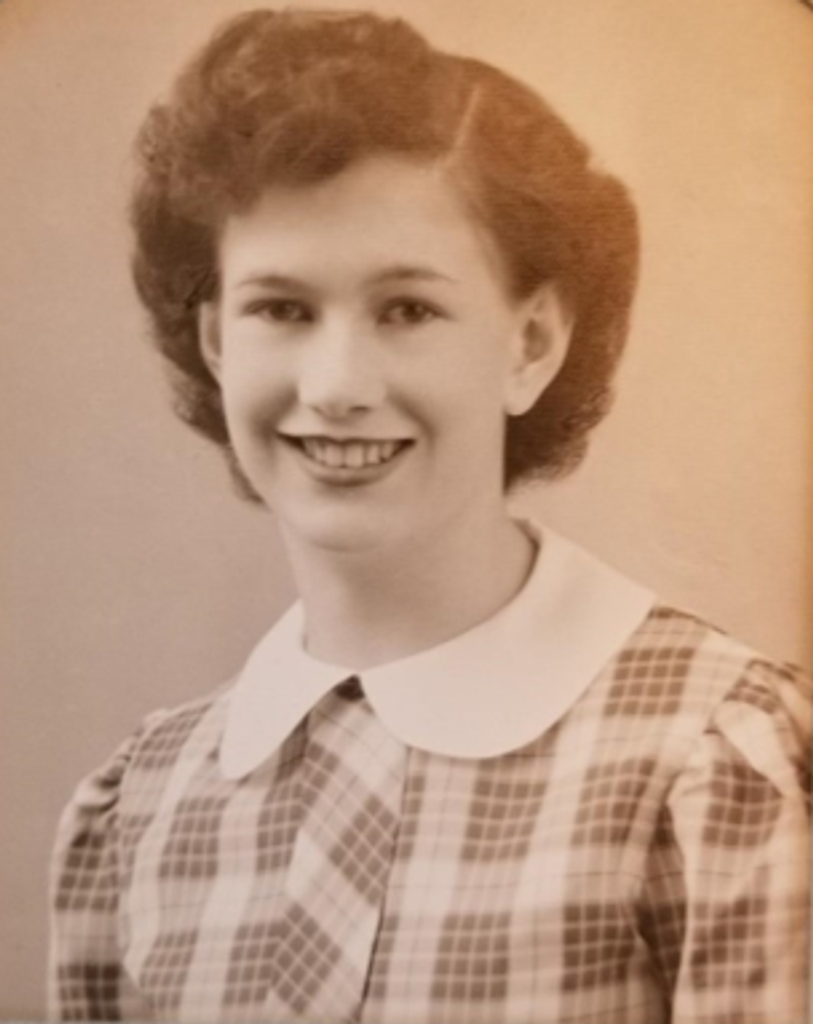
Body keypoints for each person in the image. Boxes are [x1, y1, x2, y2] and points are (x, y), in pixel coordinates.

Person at [47, 9, 810, 1023]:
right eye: (281, 309)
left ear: (531, 343)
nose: (336, 386)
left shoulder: (710, 756)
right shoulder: (141, 804)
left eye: (407, 309)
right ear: (217, 341)